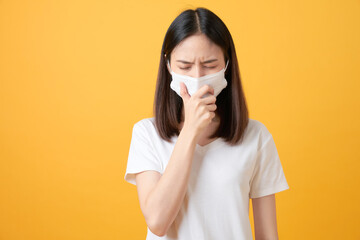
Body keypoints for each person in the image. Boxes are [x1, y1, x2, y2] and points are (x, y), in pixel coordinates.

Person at [124, 7, 290, 240]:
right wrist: (190, 131)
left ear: (227, 64)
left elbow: (267, 234)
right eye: (185, 66)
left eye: (210, 65)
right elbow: (157, 221)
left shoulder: (256, 136)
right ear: (169, 65)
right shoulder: (147, 134)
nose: (197, 77)